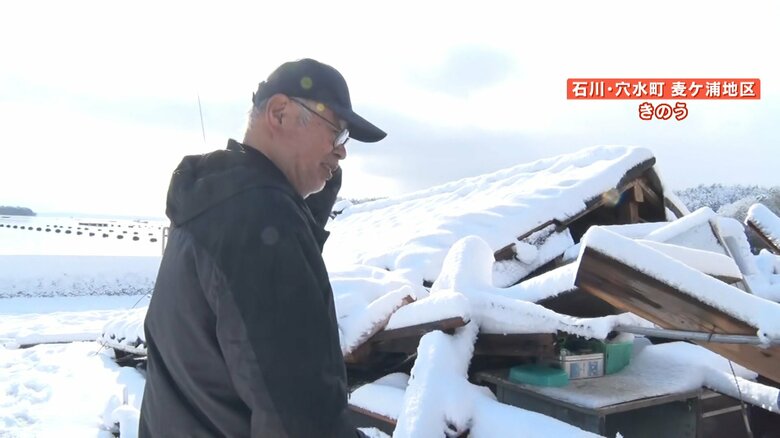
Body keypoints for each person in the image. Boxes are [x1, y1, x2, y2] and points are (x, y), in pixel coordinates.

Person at [139, 58, 386, 437]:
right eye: (337, 133)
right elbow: (299, 419)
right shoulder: (259, 221)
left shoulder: (217, 207)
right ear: (280, 112)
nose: (342, 152)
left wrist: (305, 210)